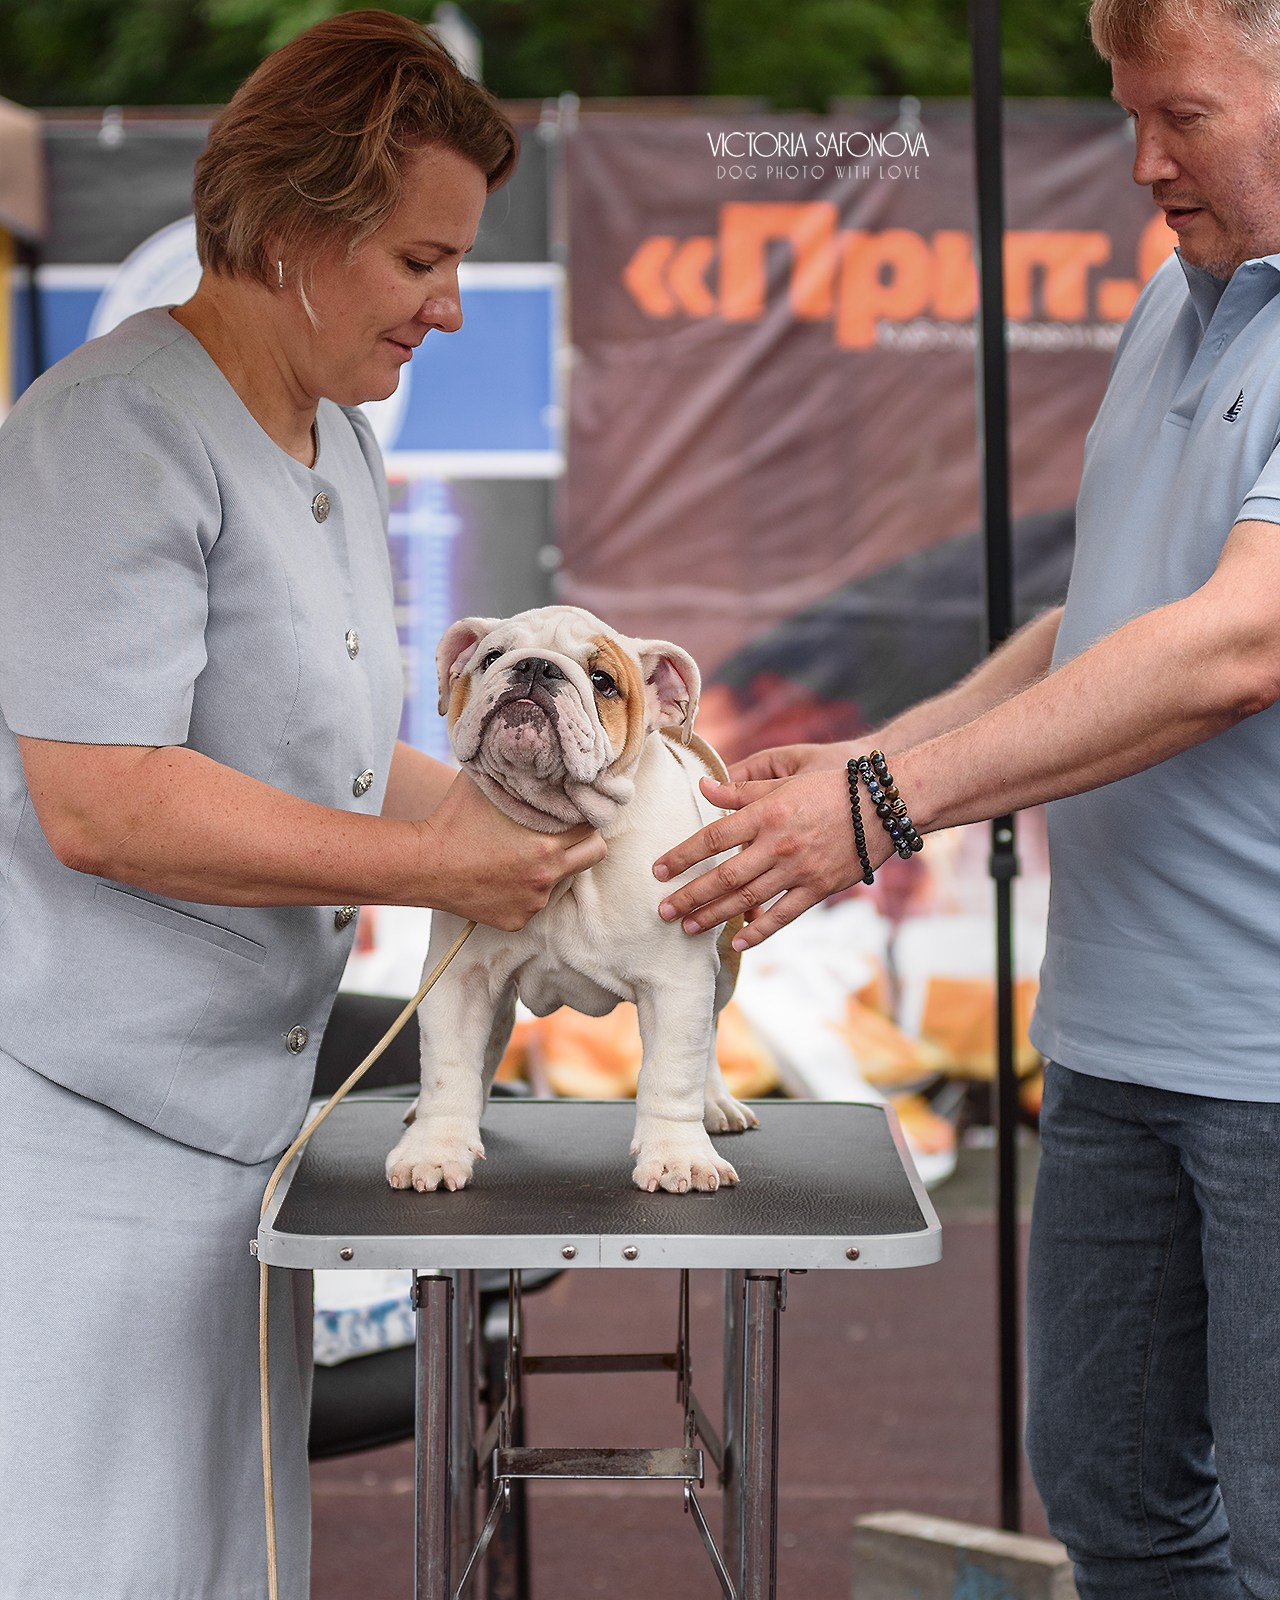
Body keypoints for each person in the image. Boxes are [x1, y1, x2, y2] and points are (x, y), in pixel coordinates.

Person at [654, 0, 1280, 1592]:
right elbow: (1110, 625)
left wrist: (883, 800)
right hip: (1115, 1037)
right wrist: (881, 753)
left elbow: (1233, 646)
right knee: (1115, 1502)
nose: (1142, 160)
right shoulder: (1178, 302)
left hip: (1271, 1057)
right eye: (1126, 112)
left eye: (1183, 116)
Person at [0, 13, 604, 1600]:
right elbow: (104, 803)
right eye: (421, 262)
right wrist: (434, 862)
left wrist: (575, 831)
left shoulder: (331, 433)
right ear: (288, 232)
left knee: (227, 1564)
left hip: (233, 1139)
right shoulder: (103, 433)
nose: (453, 307)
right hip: (77, 1147)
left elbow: (323, 766)